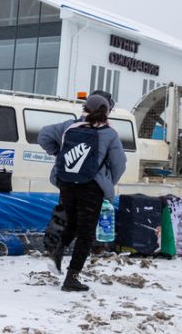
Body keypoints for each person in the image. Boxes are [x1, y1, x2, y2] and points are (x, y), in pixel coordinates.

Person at [37, 93, 126, 292]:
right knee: (85, 233)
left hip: (67, 183)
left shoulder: (70, 126)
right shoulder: (109, 133)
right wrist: (107, 181)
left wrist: (60, 155)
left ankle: (56, 251)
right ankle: (71, 278)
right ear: (106, 111)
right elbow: (120, 163)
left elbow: (43, 136)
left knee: (72, 223)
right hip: (92, 188)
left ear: (85, 108)